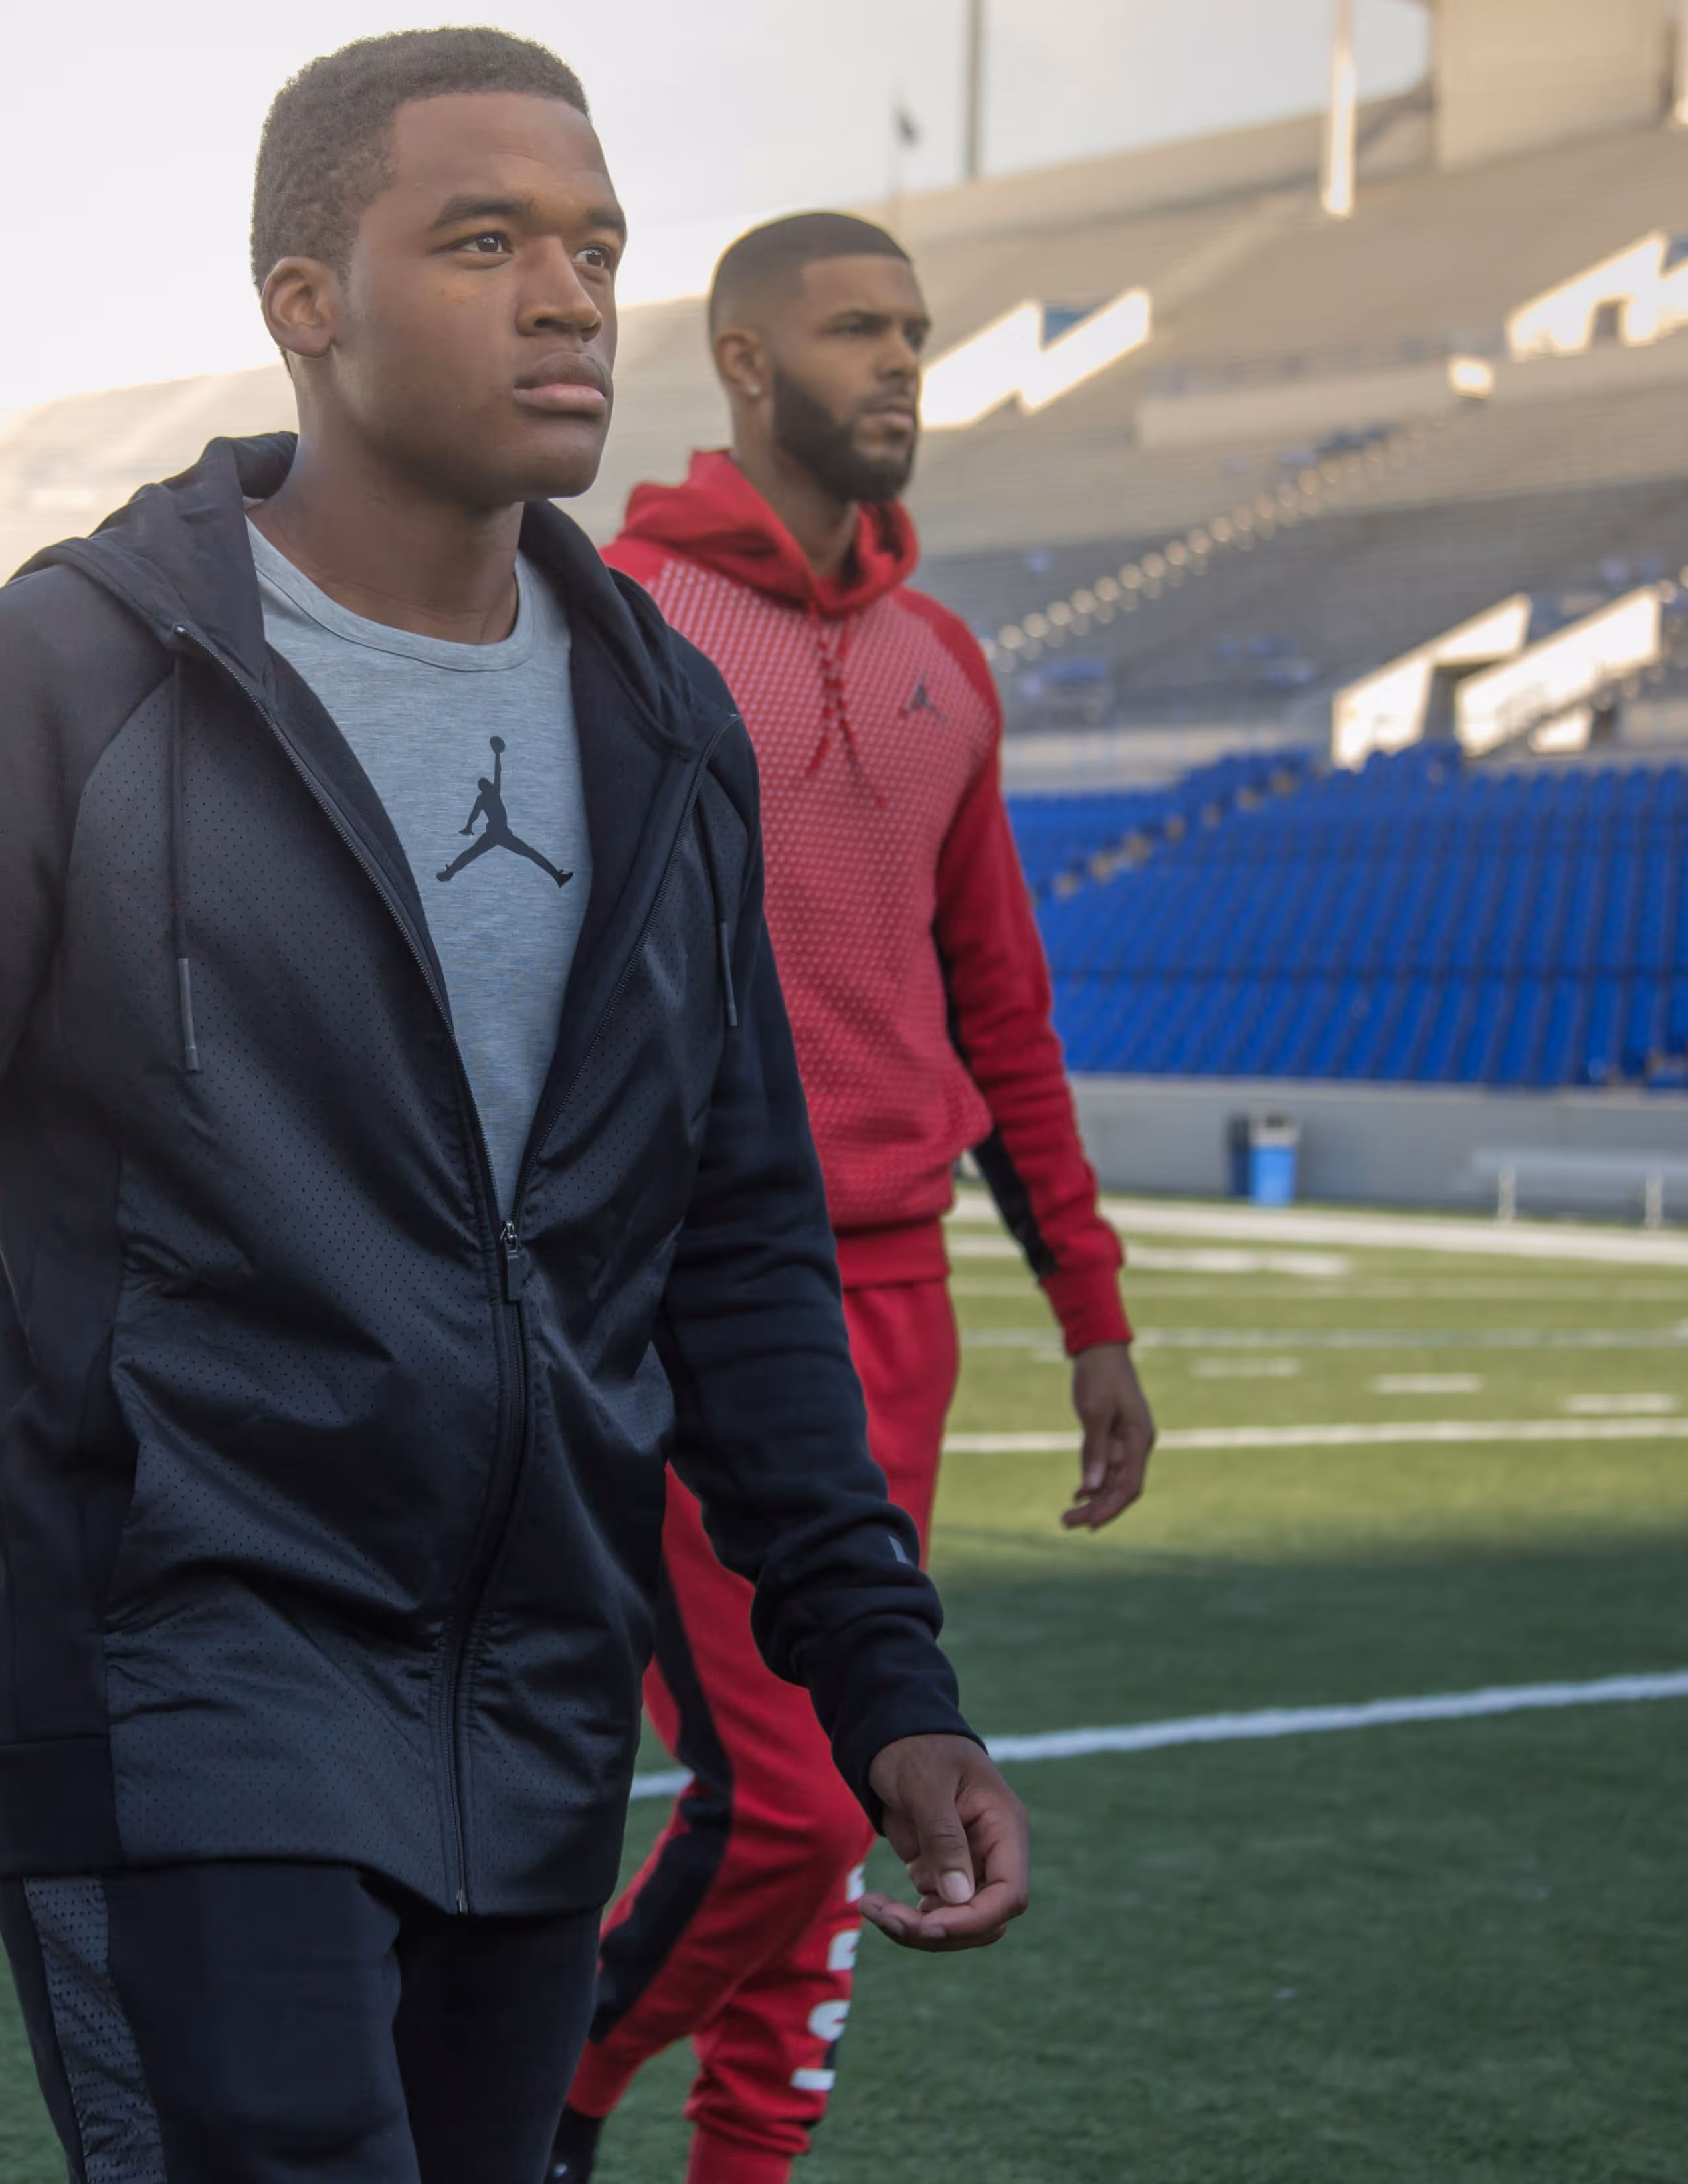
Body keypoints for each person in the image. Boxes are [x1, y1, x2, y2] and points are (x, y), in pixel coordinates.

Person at [0, 37, 1029, 2184]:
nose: (570, 298)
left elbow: (729, 1245)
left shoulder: (667, 719)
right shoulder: (61, 686)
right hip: (173, 1688)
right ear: (305, 298)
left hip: (541, 1705)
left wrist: (883, 1678)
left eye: (597, 248)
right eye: (485, 242)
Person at [552, 213, 1155, 2184]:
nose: (899, 363)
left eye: (914, 330)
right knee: (795, 1799)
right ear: (740, 360)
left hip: (901, 1313)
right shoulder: (619, 618)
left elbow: (1001, 1006)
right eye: (854, 330)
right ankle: (528, 2112)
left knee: (865, 1778)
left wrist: (1092, 1307)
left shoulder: (946, 665)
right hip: (688, 1305)